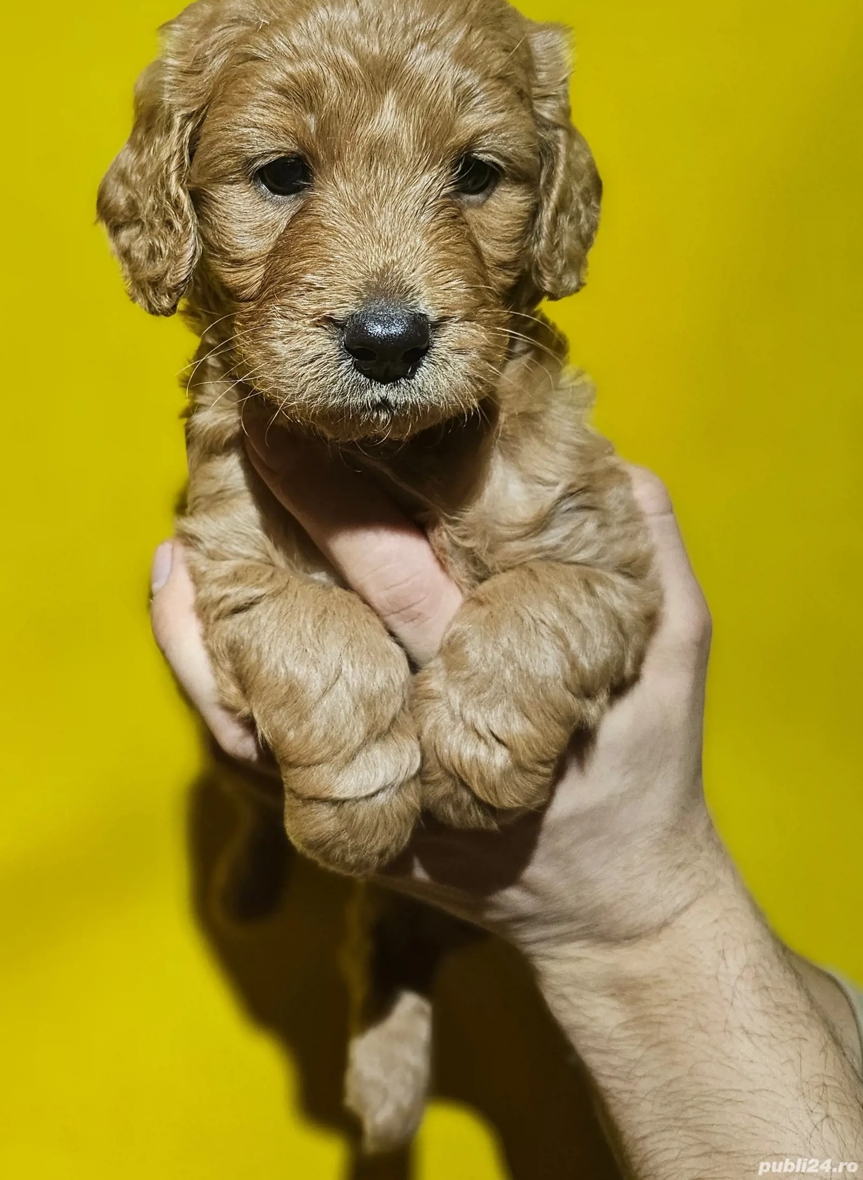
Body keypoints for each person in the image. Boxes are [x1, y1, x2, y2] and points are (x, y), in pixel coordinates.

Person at [149, 420, 863, 1179]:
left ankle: (394, 968)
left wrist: (638, 918)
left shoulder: (533, 441)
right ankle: (266, 837)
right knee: (249, 767)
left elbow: (599, 580)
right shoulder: (242, 438)